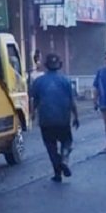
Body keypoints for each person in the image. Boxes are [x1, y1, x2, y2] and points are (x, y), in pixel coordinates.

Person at [29, 53, 80, 182]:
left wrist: (32, 113)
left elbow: (34, 99)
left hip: (46, 120)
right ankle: (64, 159)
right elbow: (72, 101)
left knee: (51, 146)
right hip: (63, 118)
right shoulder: (66, 81)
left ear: (46, 66)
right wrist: (76, 117)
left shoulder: (39, 81)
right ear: (59, 65)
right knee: (66, 141)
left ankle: (57, 173)